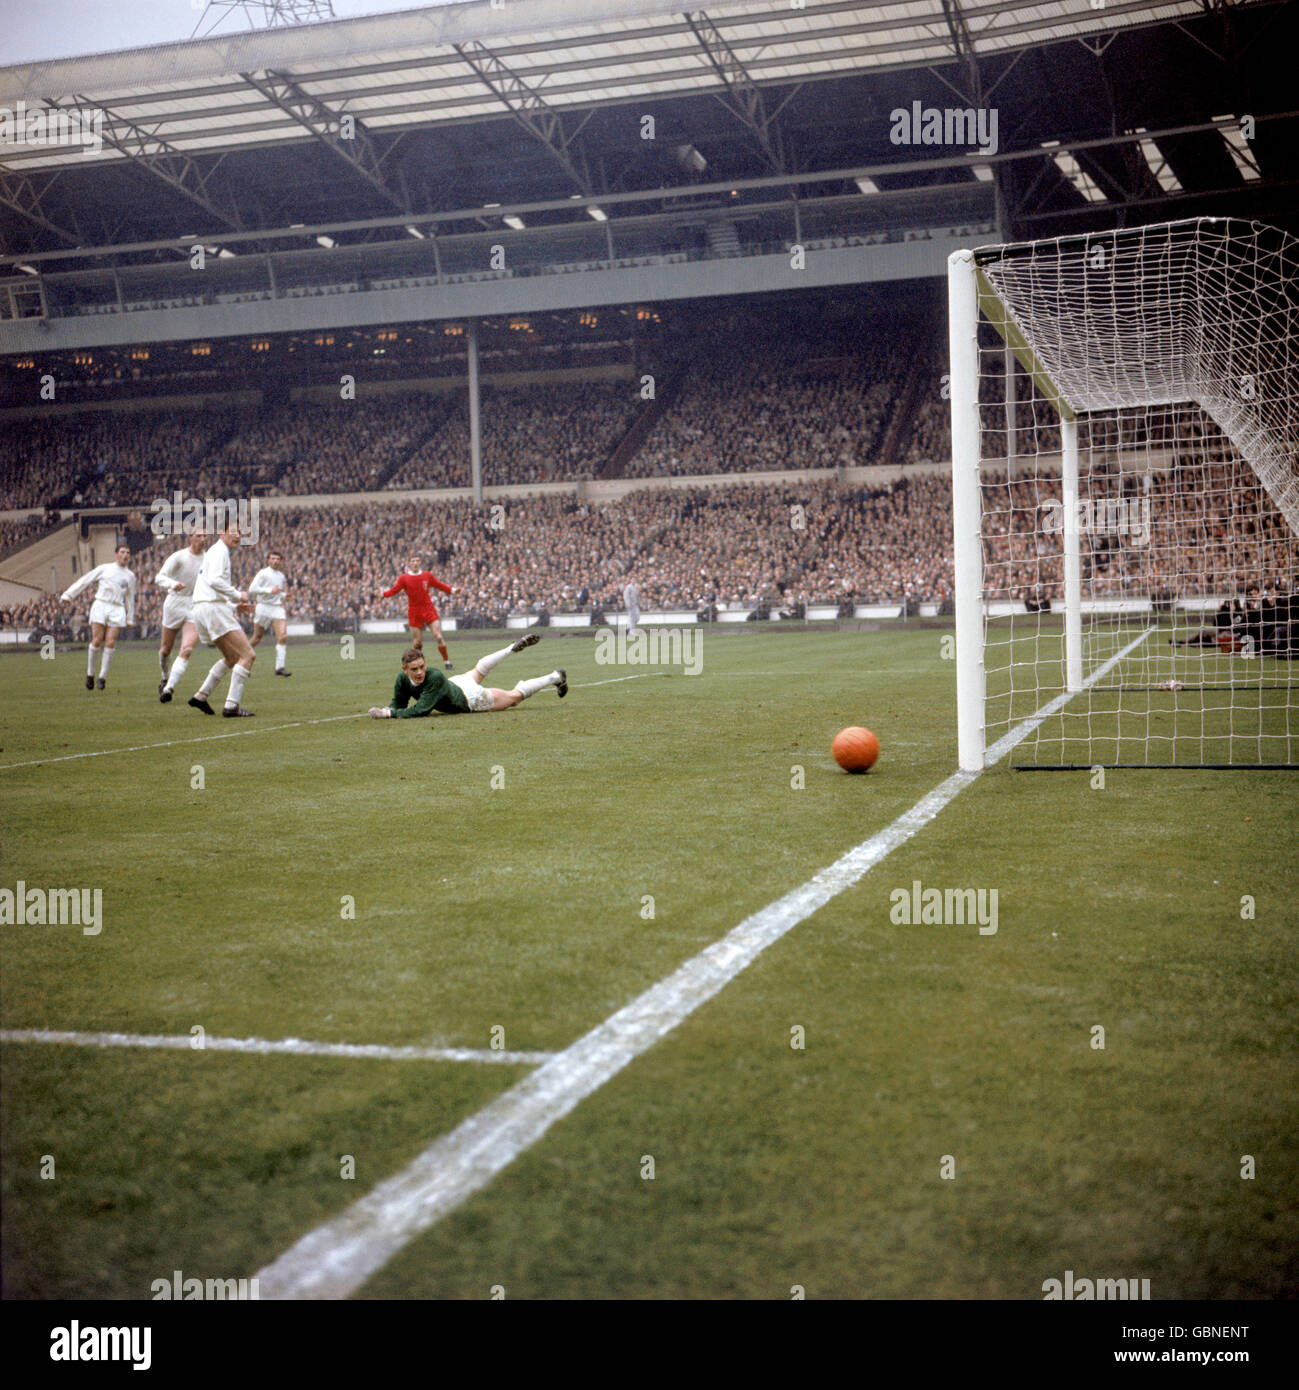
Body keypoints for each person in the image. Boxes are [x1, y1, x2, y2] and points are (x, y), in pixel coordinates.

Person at [367, 633, 566, 719]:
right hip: (456, 683)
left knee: (513, 697)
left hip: (470, 699)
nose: (420, 672)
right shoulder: (402, 680)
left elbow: (421, 710)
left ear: (425, 663)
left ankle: (556, 676)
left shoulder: (433, 676)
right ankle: (509, 649)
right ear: (405, 670)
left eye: (422, 667)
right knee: (478, 670)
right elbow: (399, 702)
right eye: (414, 670)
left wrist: (389, 714)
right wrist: (389, 709)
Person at [186, 522, 258, 718]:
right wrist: (238, 595)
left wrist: (234, 606)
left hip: (202, 608)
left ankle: (201, 696)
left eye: (240, 533)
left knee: (232, 658)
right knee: (248, 655)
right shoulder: (220, 551)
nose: (237, 536)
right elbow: (215, 580)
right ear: (221, 533)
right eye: (233, 532)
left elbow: (210, 587)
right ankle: (231, 706)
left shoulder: (215, 552)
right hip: (212, 609)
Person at [60, 543, 137, 690]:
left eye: (128, 552)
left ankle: (102, 677)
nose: (125, 555)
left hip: (117, 608)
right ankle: (90, 674)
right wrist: (69, 595)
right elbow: (86, 580)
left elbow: (130, 597)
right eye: (122, 552)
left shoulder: (130, 576)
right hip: (101, 605)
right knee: (96, 640)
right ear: (116, 554)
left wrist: (130, 617)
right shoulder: (105, 568)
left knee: (110, 641)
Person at [155, 529, 207, 701]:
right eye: (198, 535)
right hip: (175, 603)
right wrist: (172, 583)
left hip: (194, 605)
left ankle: (169, 688)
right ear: (190, 537)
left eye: (205, 536)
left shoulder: (208, 559)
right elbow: (159, 577)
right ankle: (164, 676)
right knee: (165, 650)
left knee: (187, 648)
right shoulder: (179, 556)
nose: (202, 539)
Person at [382, 555, 458, 669]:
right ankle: (416, 666)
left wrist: (452, 590)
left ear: (420, 562)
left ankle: (447, 662)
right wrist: (383, 594)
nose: (415, 563)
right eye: (413, 561)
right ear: (409, 563)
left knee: (438, 637)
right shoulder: (404, 578)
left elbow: (439, 585)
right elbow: (394, 590)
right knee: (418, 643)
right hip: (414, 611)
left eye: (417, 560)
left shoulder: (427, 575)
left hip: (428, 609)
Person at [249, 549, 292, 676]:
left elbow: (277, 592)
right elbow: (252, 589)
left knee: (283, 636)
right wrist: (269, 590)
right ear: (268, 560)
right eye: (272, 559)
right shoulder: (263, 573)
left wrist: (285, 595)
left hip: (277, 608)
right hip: (263, 607)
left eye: (277, 559)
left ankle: (280, 667)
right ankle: (242, 661)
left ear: (281, 561)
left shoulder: (281, 576)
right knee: (256, 638)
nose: (275, 561)